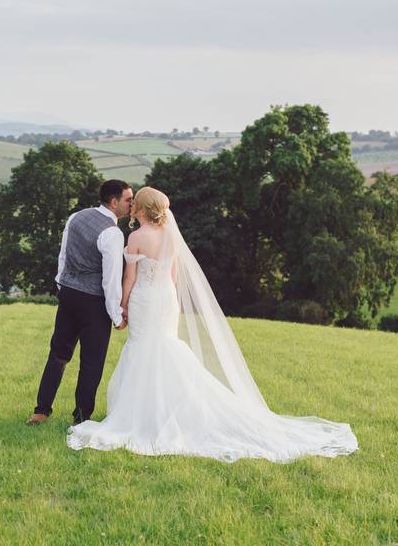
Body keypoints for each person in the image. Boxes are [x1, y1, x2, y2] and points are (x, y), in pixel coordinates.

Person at [66, 187, 359, 462]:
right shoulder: (169, 234)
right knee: (165, 349)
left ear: (141, 208)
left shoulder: (137, 237)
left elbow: (129, 278)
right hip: (166, 300)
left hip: (145, 299)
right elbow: (173, 274)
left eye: (135, 204)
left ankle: (145, 415)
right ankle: (172, 409)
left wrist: (123, 305)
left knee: (143, 349)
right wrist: (174, 304)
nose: (132, 208)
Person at [26, 179, 133, 426]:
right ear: (114, 201)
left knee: (58, 354)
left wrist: (61, 285)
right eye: (128, 199)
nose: (131, 204)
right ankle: (81, 418)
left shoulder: (76, 217)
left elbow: (63, 256)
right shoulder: (113, 233)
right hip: (93, 302)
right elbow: (110, 280)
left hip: (68, 295)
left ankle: (41, 410)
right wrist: (116, 315)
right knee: (91, 361)